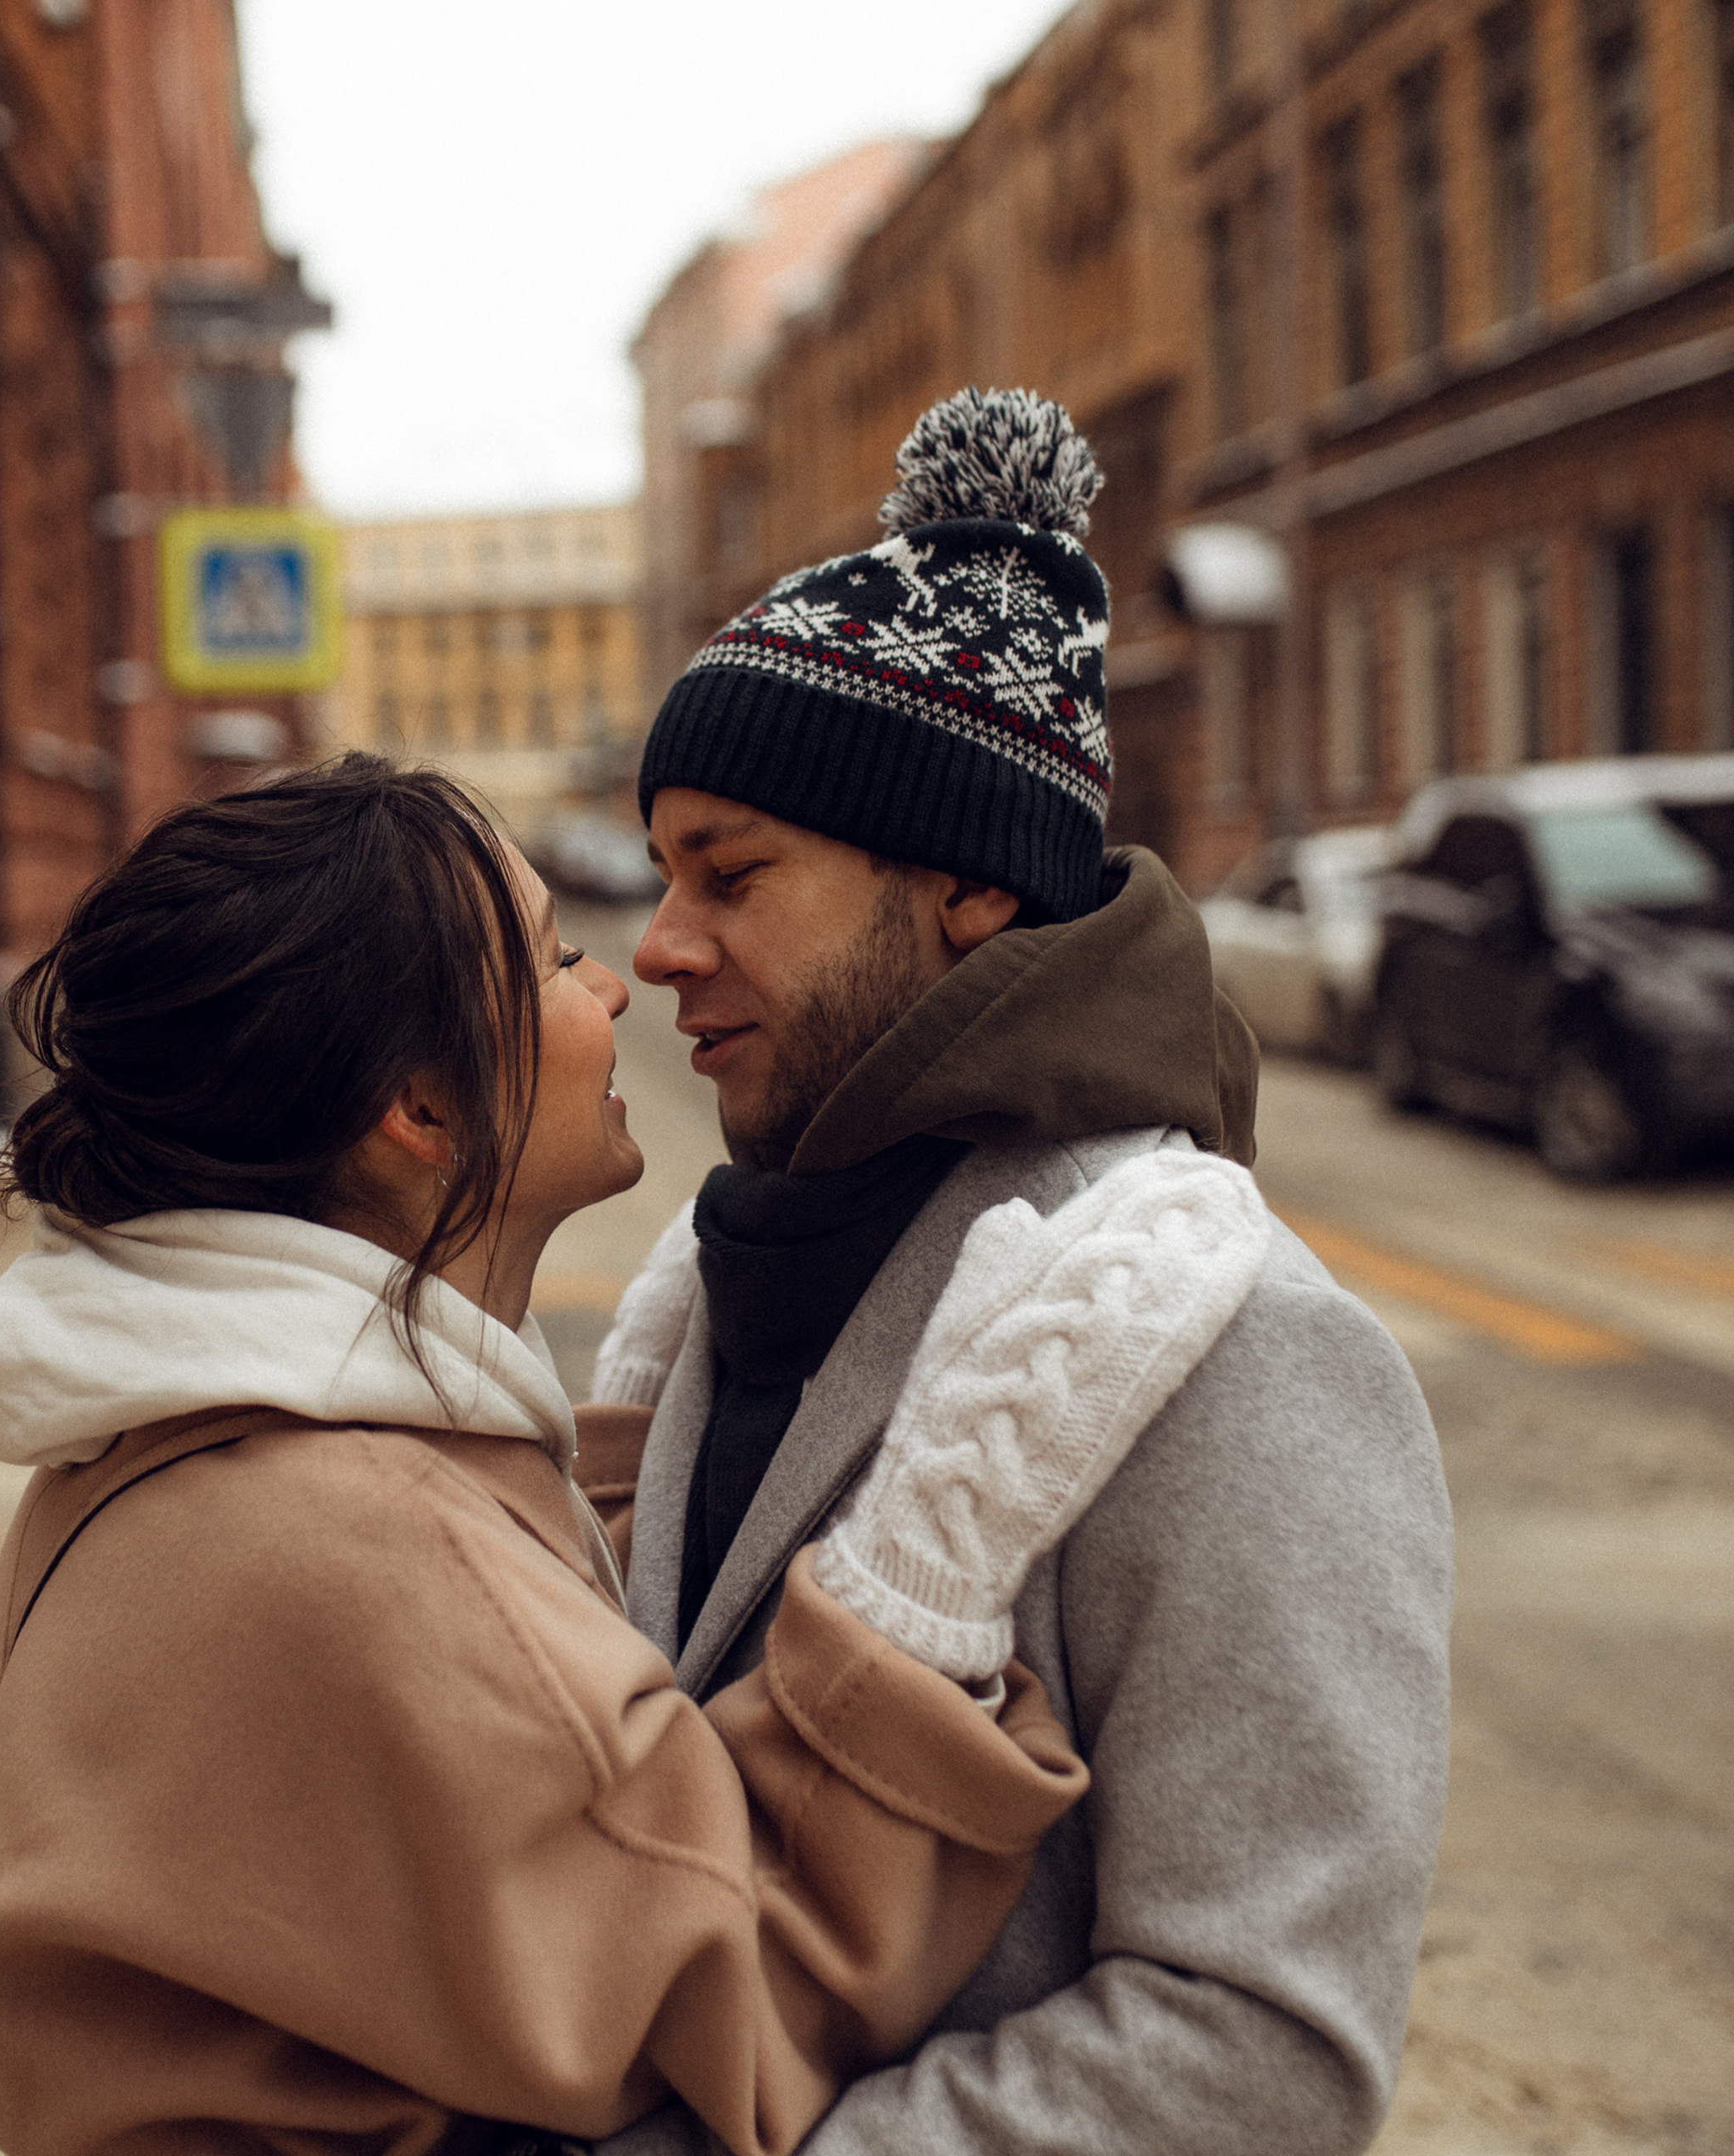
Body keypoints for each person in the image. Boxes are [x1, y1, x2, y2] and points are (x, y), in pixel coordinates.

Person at [0, 755, 1278, 2156]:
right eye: (553, 958)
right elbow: (731, 1991)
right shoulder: (371, 1529)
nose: (619, 981)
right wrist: (924, 1566)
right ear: (423, 1111)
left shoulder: (155, 1431)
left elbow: (453, 1858)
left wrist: (618, 1489)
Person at [588, 388, 1455, 2156]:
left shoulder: (1229, 1337)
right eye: (664, 872)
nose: (660, 946)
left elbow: (1259, 2043)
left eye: (728, 874)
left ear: (964, 881)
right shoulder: (712, 1274)